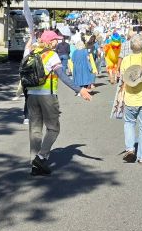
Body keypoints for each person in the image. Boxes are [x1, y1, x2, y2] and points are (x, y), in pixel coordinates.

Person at [25, 30, 92, 176]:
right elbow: (62, 75)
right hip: (47, 96)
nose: (57, 42)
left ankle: (34, 165)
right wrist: (79, 90)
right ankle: (40, 157)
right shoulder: (51, 55)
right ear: (50, 41)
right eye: (55, 40)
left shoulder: (31, 53)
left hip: (31, 96)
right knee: (53, 128)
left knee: (35, 131)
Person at [118, 35, 142, 164]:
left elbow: (123, 78)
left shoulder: (126, 60)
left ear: (131, 46)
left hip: (130, 98)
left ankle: (130, 149)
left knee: (129, 123)